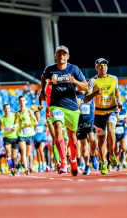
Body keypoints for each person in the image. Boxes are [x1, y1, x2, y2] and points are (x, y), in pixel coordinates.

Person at [41, 45, 88, 176]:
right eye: (59, 53)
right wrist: (42, 90)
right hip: (56, 105)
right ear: (55, 56)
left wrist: (75, 82)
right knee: (57, 128)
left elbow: (85, 85)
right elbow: (43, 77)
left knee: (72, 136)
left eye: (64, 53)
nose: (61, 55)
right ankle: (63, 162)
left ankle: (73, 160)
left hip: (72, 107)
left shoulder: (74, 69)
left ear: (68, 56)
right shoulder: (50, 69)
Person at [84, 58, 122, 175]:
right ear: (96, 68)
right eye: (100, 66)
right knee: (101, 139)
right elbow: (85, 99)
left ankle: (111, 155)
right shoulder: (92, 81)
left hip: (111, 110)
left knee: (111, 131)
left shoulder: (114, 78)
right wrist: (96, 93)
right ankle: (103, 162)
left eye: (105, 65)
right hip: (99, 112)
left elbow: (117, 92)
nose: (103, 67)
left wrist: (119, 101)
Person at [14, 96, 38, 175]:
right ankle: (26, 168)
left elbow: (36, 122)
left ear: (26, 102)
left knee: (28, 153)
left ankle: (27, 164)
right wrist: (14, 127)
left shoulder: (29, 111)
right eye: (20, 101)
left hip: (30, 134)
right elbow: (16, 123)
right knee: (23, 151)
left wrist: (29, 124)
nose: (22, 102)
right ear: (18, 102)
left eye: (23, 101)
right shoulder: (17, 113)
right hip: (21, 134)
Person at [76, 90, 98, 175]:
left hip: (91, 122)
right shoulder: (75, 94)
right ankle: (87, 166)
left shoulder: (90, 93)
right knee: (84, 147)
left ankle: (93, 155)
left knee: (92, 139)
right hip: (80, 123)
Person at [0, 103, 19, 177]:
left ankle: (16, 167)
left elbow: (17, 123)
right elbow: (0, 128)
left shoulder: (14, 115)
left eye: (8, 108)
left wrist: (15, 127)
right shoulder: (2, 118)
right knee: (8, 153)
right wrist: (1, 128)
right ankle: (11, 169)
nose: (7, 110)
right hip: (6, 137)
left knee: (15, 156)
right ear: (3, 110)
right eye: (6, 108)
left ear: (10, 109)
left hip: (15, 137)